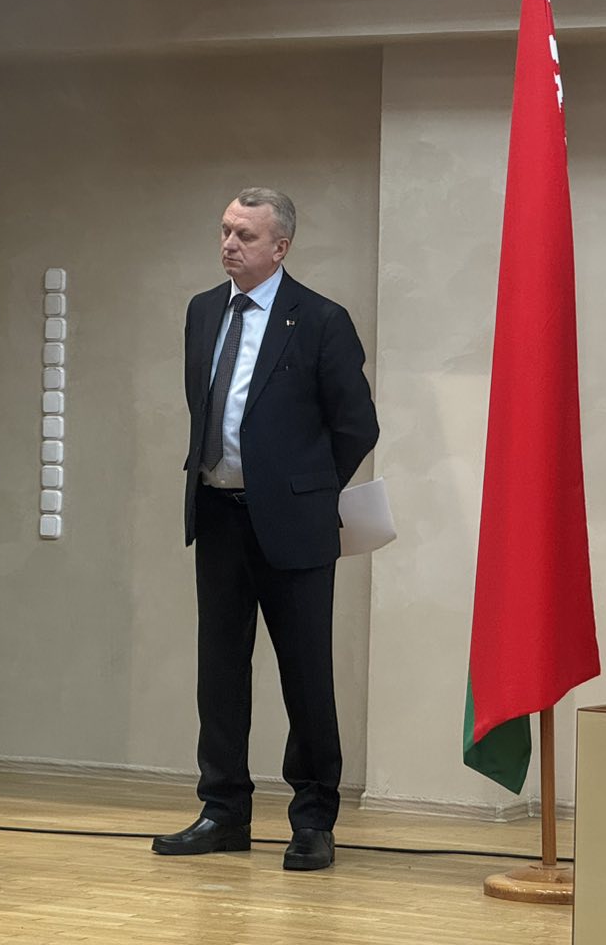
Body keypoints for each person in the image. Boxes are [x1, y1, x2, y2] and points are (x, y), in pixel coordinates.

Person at [152, 187, 379, 872]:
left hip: (293, 523)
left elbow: (356, 424)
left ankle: (313, 818)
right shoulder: (203, 311)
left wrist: (306, 491)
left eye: (245, 235)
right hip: (219, 513)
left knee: (305, 673)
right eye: (225, 230)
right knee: (220, 670)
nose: (229, 244)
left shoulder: (320, 319)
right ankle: (223, 809)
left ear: (280, 247)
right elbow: (205, 407)